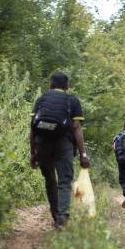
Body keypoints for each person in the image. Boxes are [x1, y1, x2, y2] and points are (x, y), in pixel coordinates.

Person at [30, 71, 90, 229]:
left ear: (50, 85)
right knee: (64, 181)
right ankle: (62, 217)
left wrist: (33, 153)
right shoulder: (72, 101)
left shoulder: (41, 99)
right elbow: (77, 128)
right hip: (64, 144)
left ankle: (55, 213)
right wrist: (83, 154)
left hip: (42, 143)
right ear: (66, 86)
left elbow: (32, 128)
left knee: (50, 179)